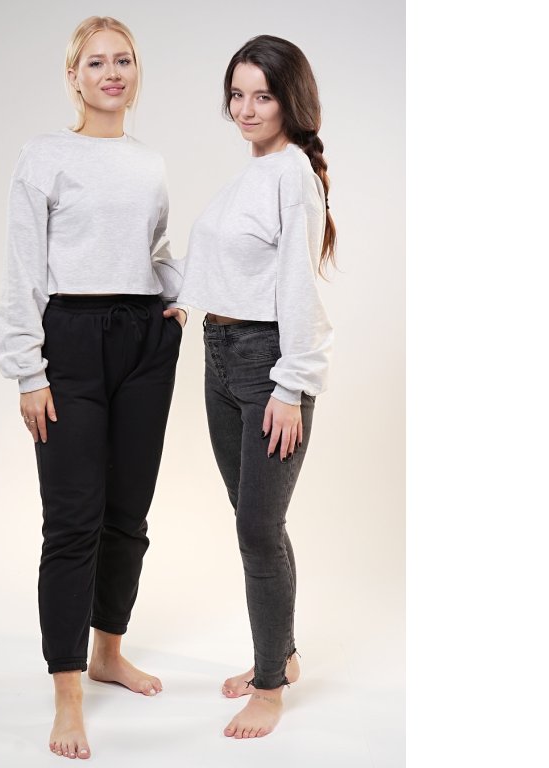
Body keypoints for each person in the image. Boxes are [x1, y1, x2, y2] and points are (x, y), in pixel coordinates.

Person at [0, 16, 186, 760]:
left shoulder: (149, 162)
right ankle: (67, 691)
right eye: (97, 62)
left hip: (143, 338)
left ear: (137, 72)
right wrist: (28, 370)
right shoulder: (44, 155)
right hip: (70, 340)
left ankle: (109, 651)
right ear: (73, 76)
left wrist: (175, 298)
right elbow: (23, 266)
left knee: (128, 514)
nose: (112, 73)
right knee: (72, 520)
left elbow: (153, 248)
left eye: (124, 60)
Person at [178, 34, 336, 740]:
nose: (245, 109)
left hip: (267, 364)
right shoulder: (250, 173)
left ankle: (269, 686)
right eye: (237, 95)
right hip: (219, 358)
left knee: (256, 529)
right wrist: (176, 299)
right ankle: (284, 656)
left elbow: (298, 287)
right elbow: (220, 266)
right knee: (255, 522)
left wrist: (291, 385)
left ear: (289, 101)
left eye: (262, 96)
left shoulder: (291, 173)